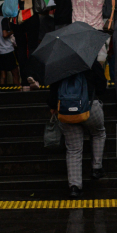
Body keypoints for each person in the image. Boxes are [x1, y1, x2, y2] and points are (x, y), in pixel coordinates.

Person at [46, 60, 107, 198]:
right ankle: (97, 168)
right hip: (90, 109)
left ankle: (75, 186)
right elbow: (102, 88)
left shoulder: (58, 65)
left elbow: (53, 94)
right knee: (98, 133)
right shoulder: (91, 62)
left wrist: (53, 106)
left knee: (74, 148)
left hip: (67, 112)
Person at [10, 0, 47, 89]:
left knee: (20, 48)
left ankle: (24, 82)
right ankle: (33, 77)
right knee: (32, 47)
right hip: (31, 17)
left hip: (15, 18)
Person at [0, 6, 21, 89]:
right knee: (15, 73)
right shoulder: (4, 19)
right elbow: (5, 34)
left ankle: (2, 94)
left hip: (0, 52)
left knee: (3, 75)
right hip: (8, 50)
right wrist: (14, 31)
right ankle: (18, 94)